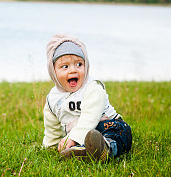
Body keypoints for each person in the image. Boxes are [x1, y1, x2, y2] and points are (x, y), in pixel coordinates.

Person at [43, 33, 132, 162]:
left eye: (79, 64)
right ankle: (84, 151)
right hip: (80, 136)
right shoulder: (52, 99)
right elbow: (52, 128)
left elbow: (91, 116)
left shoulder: (92, 87)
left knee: (116, 135)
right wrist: (51, 146)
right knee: (84, 140)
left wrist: (74, 137)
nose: (73, 70)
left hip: (109, 126)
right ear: (53, 71)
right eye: (65, 66)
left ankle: (105, 148)